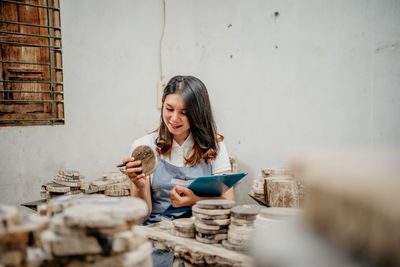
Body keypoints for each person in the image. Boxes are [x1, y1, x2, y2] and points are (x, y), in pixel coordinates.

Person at [122, 75, 233, 224]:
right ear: (162, 103)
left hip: (201, 233)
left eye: (184, 112)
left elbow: (229, 204)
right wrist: (140, 186)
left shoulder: (214, 145)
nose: (174, 119)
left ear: (198, 114)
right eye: (169, 109)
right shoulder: (144, 147)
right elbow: (141, 217)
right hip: (158, 235)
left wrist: (195, 200)